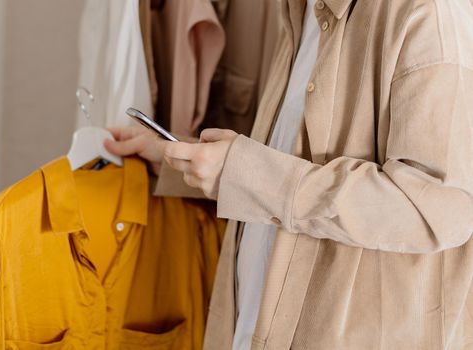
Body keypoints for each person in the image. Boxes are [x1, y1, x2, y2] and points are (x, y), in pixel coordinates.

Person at [105, 0, 473, 349]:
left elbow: (437, 210)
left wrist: (244, 174)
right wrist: (174, 156)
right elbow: (287, 165)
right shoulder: (303, 11)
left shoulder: (428, 13)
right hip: (251, 321)